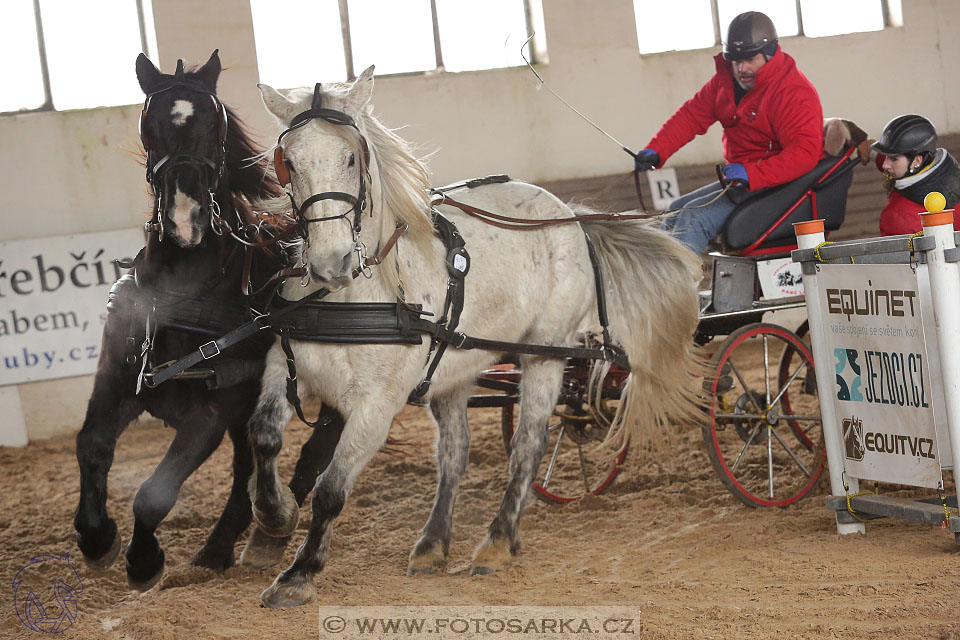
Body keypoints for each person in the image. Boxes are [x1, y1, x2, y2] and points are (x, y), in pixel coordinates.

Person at [633, 11, 823, 254]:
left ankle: (674, 289)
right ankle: (658, 284)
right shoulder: (725, 83)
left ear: (770, 54)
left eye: (750, 60)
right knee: (675, 210)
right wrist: (657, 150)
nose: (741, 68)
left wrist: (753, 173)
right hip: (741, 178)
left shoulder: (794, 92)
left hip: (775, 183)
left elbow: (804, 154)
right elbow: (691, 116)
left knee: (694, 221)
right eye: (735, 61)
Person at [872, 114, 960, 235]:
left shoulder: (898, 219)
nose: (884, 165)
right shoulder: (950, 169)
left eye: (893, 159)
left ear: (917, 161)